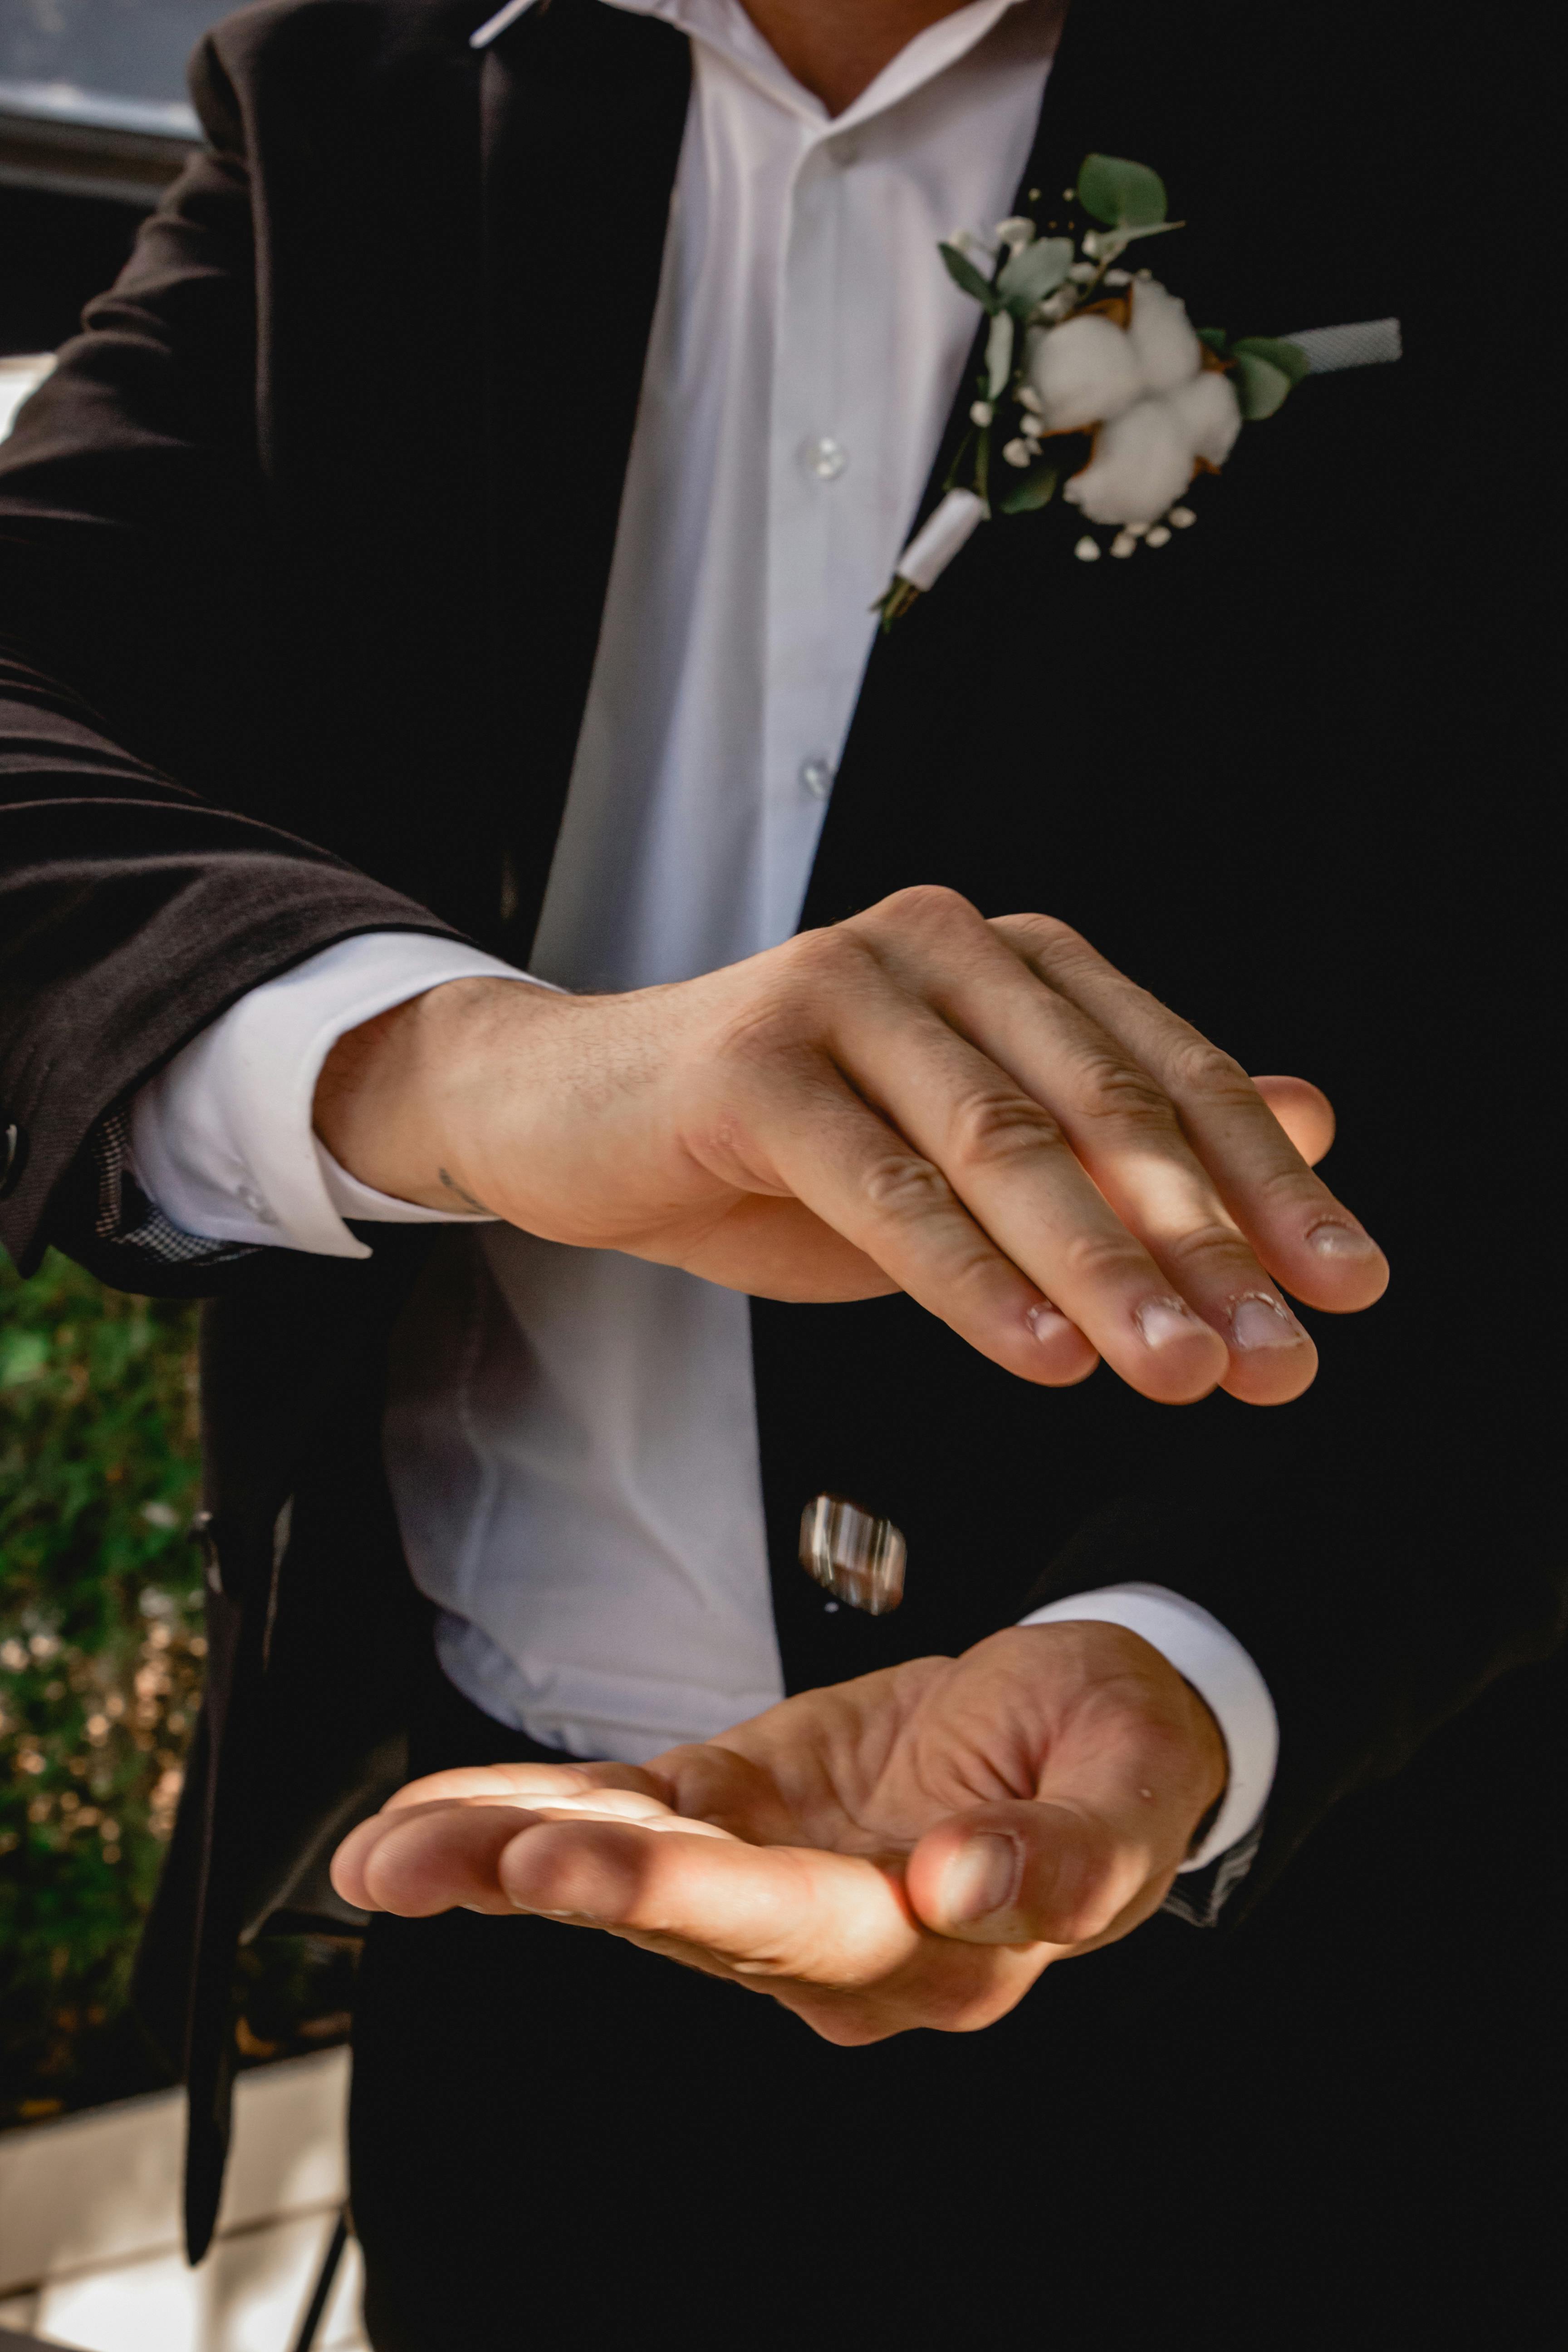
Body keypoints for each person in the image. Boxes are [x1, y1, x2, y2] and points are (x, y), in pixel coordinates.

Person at [0, 0, 1555, 2342]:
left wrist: (1213, 1657)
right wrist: (474, 1082)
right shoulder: (363, 83)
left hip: (1333, 1985)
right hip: (516, 1955)